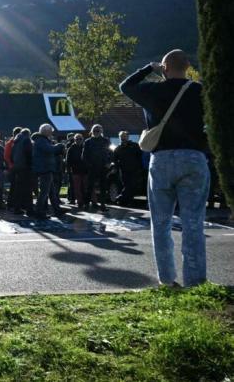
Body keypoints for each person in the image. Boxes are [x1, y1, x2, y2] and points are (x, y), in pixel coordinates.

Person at [120, 49, 209, 287]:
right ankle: (195, 280)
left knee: (160, 223)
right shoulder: (199, 91)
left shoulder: (153, 91)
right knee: (193, 222)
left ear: (164, 67)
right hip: (193, 157)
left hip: (161, 159)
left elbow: (125, 86)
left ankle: (167, 279)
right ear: (188, 66)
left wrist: (150, 69)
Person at [31, 124, 65, 219]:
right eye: (50, 131)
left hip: (46, 168)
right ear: (45, 131)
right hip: (44, 168)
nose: (51, 132)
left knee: (51, 192)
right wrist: (59, 146)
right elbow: (49, 150)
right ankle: (39, 211)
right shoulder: (41, 140)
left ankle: (57, 210)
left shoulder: (42, 140)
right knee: (44, 192)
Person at [82, 124, 111, 211]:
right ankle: (86, 205)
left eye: (98, 131)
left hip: (103, 166)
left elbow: (111, 152)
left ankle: (103, 205)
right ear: (92, 131)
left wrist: (109, 162)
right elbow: (84, 155)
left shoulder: (106, 141)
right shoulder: (88, 141)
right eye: (94, 130)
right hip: (92, 167)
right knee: (89, 187)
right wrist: (89, 165)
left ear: (101, 131)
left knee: (103, 187)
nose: (96, 132)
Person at [113, 131, 143, 206]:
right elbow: (114, 160)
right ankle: (125, 201)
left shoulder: (135, 145)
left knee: (132, 185)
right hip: (123, 170)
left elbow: (140, 156)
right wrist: (117, 168)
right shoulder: (117, 148)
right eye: (121, 136)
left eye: (124, 136)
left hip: (134, 169)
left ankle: (120, 198)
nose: (123, 138)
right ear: (119, 138)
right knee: (127, 185)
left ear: (128, 137)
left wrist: (139, 166)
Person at [11, 128, 34, 215]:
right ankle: (30, 210)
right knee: (28, 190)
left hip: (17, 167)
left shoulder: (15, 142)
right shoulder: (26, 140)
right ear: (28, 134)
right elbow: (29, 154)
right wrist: (30, 165)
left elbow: (11, 156)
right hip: (26, 168)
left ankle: (17, 209)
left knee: (18, 189)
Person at [66, 133, 88, 209]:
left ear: (82, 139)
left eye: (80, 139)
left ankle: (87, 201)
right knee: (77, 188)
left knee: (86, 187)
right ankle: (80, 202)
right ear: (74, 140)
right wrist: (68, 170)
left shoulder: (85, 147)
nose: (78, 140)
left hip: (85, 170)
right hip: (75, 171)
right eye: (77, 139)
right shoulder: (71, 149)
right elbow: (68, 161)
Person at [5, 126, 22, 209]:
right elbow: (6, 156)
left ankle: (12, 203)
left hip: (15, 167)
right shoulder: (11, 143)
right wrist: (11, 165)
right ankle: (11, 204)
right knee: (14, 187)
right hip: (14, 168)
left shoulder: (12, 142)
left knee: (15, 187)